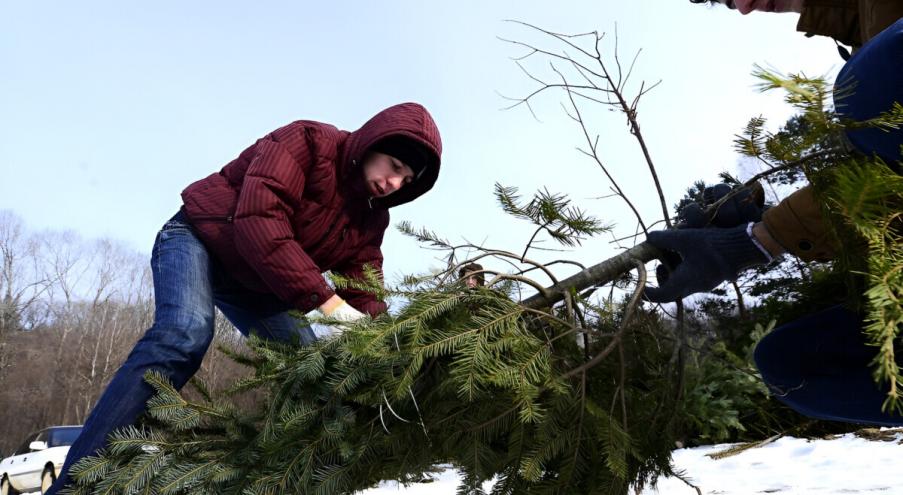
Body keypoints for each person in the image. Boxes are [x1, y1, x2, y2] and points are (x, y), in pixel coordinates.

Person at [47, 102, 443, 493]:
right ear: (372, 143)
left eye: (406, 180)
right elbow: (259, 219)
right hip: (200, 240)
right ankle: (76, 484)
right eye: (393, 166)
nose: (393, 184)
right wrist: (329, 304)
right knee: (185, 333)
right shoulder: (308, 142)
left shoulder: (371, 218)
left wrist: (395, 348)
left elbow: (365, 287)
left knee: (311, 371)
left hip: (259, 285)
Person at [643, 1, 903, 425]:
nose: (744, 7)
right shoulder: (864, 35)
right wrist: (759, 225)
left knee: (872, 86)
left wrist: (764, 238)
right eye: (726, 2)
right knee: (792, 365)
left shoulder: (881, 60)